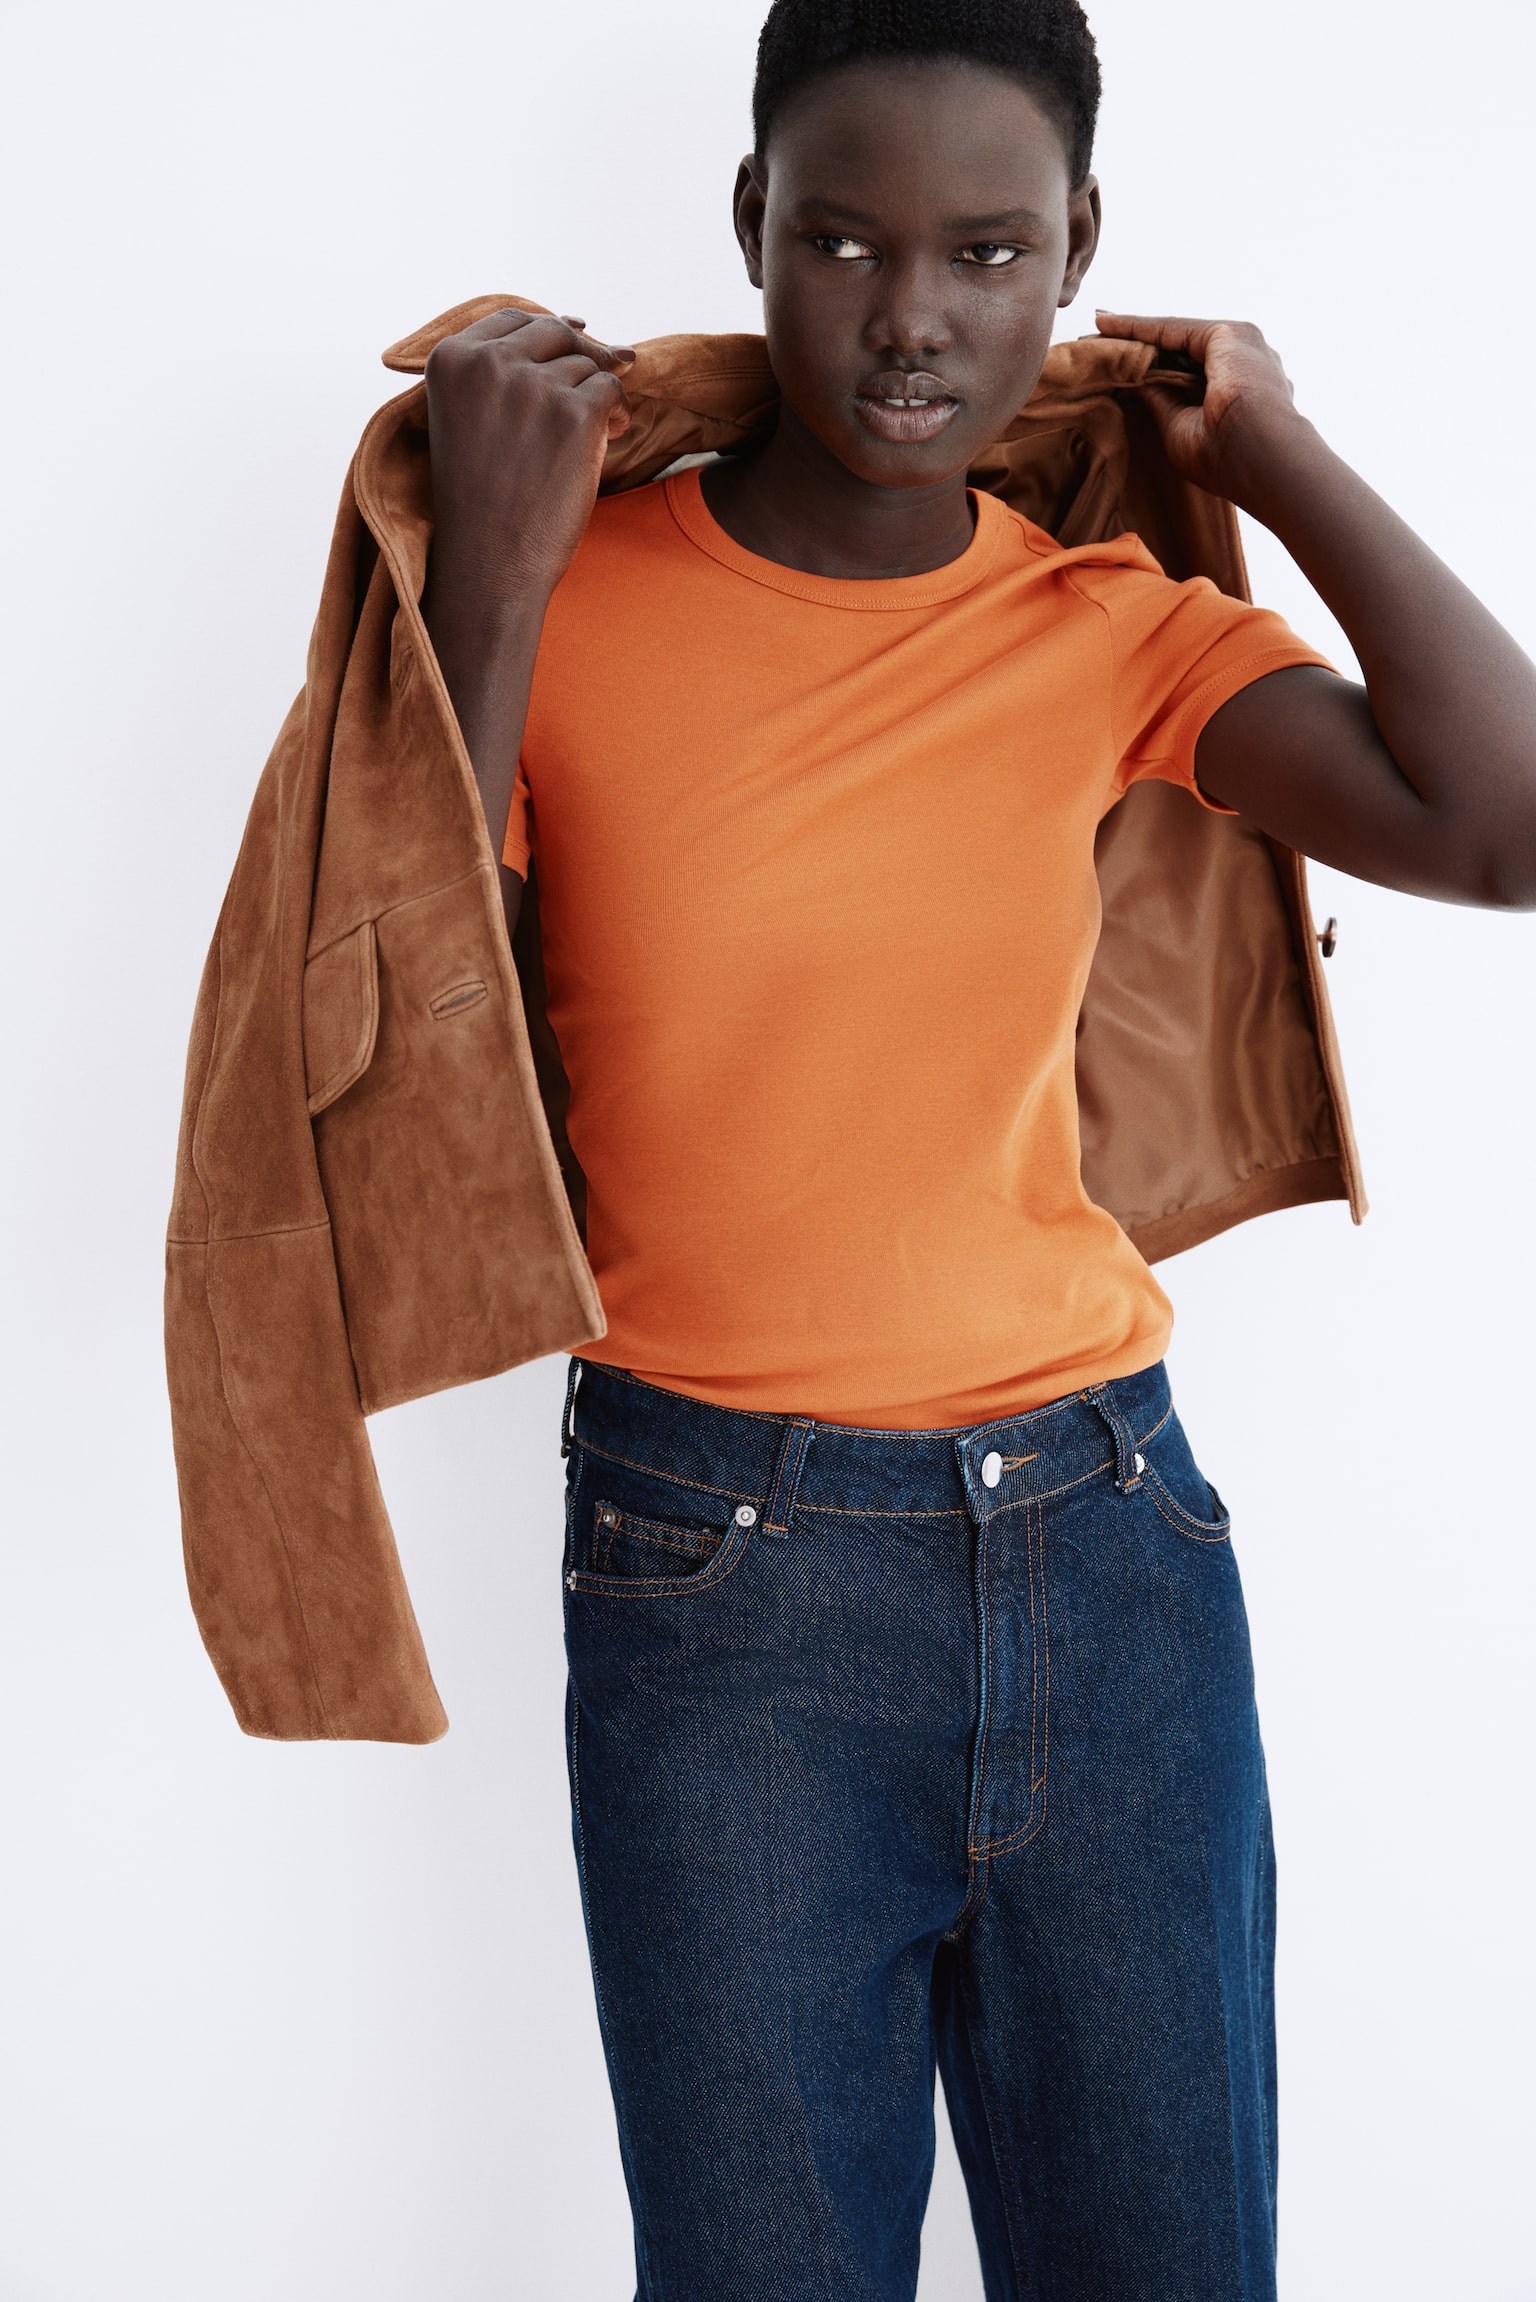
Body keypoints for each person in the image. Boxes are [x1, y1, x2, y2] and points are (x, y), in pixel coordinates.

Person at [418, 3, 1536, 2295]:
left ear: (1079, 251)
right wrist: (495, 577)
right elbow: (384, 1003)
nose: (911, 315)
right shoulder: (562, 591)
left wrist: (1281, 451)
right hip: (718, 1583)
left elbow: (1504, 825)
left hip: (1109, 1550)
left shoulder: (1095, 621)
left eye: (989, 251)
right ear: (751, 222)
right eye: (840, 240)